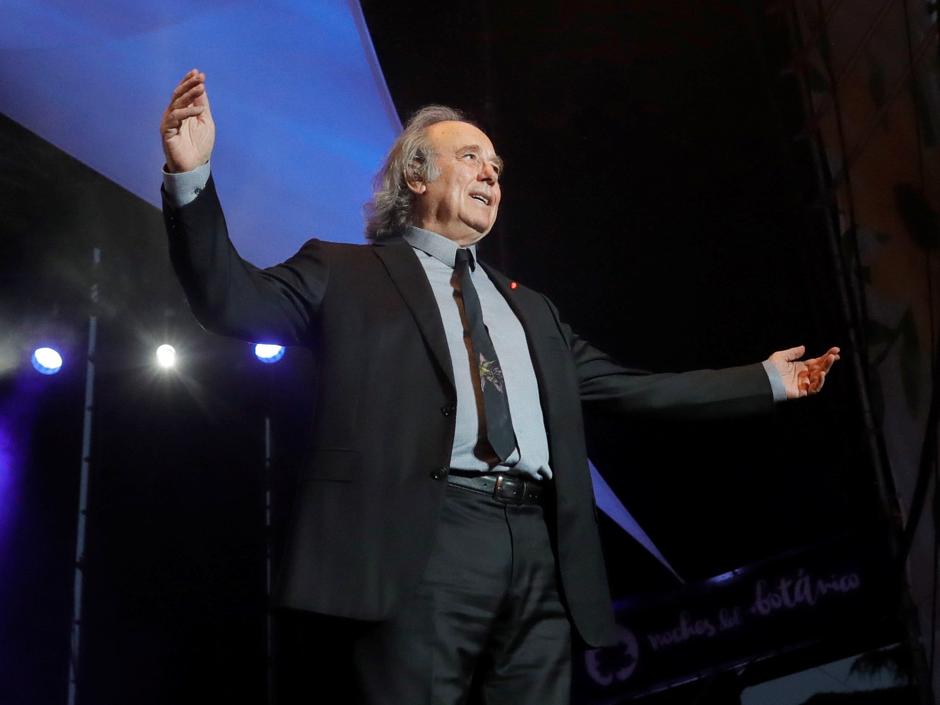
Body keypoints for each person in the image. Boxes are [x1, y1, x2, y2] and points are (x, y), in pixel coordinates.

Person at [159, 68, 839, 705]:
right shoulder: (344, 272)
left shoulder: (530, 309)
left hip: (540, 551)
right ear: (415, 176)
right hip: (421, 544)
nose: (490, 173)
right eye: (470, 158)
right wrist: (192, 177)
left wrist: (766, 382)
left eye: (496, 167)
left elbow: (635, 389)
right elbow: (232, 302)